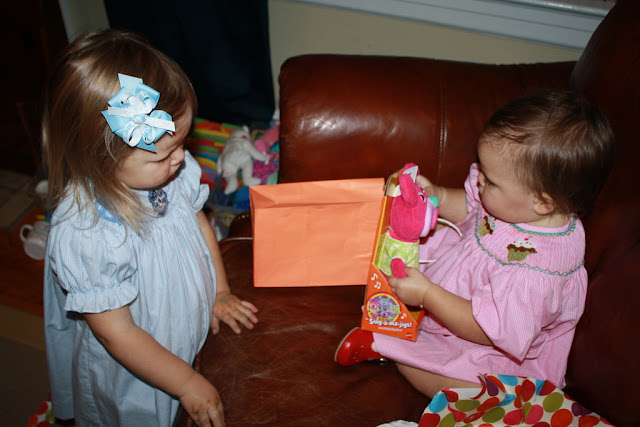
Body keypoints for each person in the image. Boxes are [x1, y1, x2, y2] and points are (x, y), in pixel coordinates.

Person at [335, 89, 615, 397]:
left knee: (480, 388)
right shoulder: (516, 202)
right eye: (481, 169)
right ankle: (402, 338)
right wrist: (438, 196)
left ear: (542, 203)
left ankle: (392, 350)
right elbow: (471, 207)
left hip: (488, 340)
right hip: (454, 293)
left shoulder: (534, 275)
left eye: (490, 180)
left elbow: (488, 331)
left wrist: (428, 295)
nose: (480, 179)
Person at [42, 29, 259, 427]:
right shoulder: (88, 232)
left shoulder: (171, 171)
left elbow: (198, 223)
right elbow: (117, 333)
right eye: (164, 154)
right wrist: (186, 383)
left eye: (183, 143)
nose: (181, 159)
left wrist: (220, 292)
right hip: (135, 369)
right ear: (99, 158)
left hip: (180, 333)